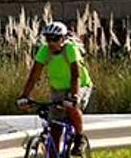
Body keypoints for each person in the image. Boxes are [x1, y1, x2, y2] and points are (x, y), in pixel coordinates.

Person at [17, 21, 93, 156]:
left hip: (79, 85)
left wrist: (74, 96)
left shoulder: (70, 49)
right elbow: (33, 76)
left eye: (55, 39)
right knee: (55, 126)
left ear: (63, 39)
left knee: (72, 108)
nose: (51, 43)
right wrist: (24, 96)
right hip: (58, 89)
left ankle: (79, 138)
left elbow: (76, 75)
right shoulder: (44, 51)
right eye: (48, 39)